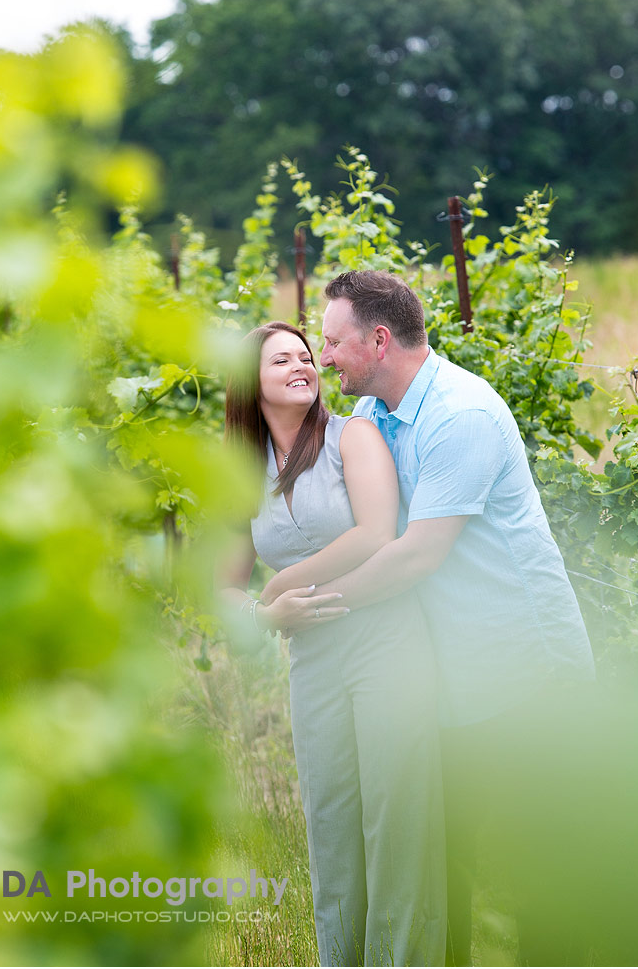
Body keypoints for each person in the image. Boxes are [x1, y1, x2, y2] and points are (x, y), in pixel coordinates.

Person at [260, 273, 595, 966]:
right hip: (448, 677)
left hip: (522, 672)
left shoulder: (458, 415)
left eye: (330, 342)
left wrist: (310, 610)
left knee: (539, 884)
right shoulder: (379, 417)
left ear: (377, 340)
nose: (322, 358)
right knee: (447, 865)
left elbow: (415, 557)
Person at [223, 321, 447, 968]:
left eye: (304, 355)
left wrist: (280, 588)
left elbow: (375, 535)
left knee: (394, 826)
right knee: (331, 828)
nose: (301, 365)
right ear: (250, 383)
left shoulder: (354, 435)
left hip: (386, 646)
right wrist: (268, 618)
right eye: (280, 360)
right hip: (313, 659)